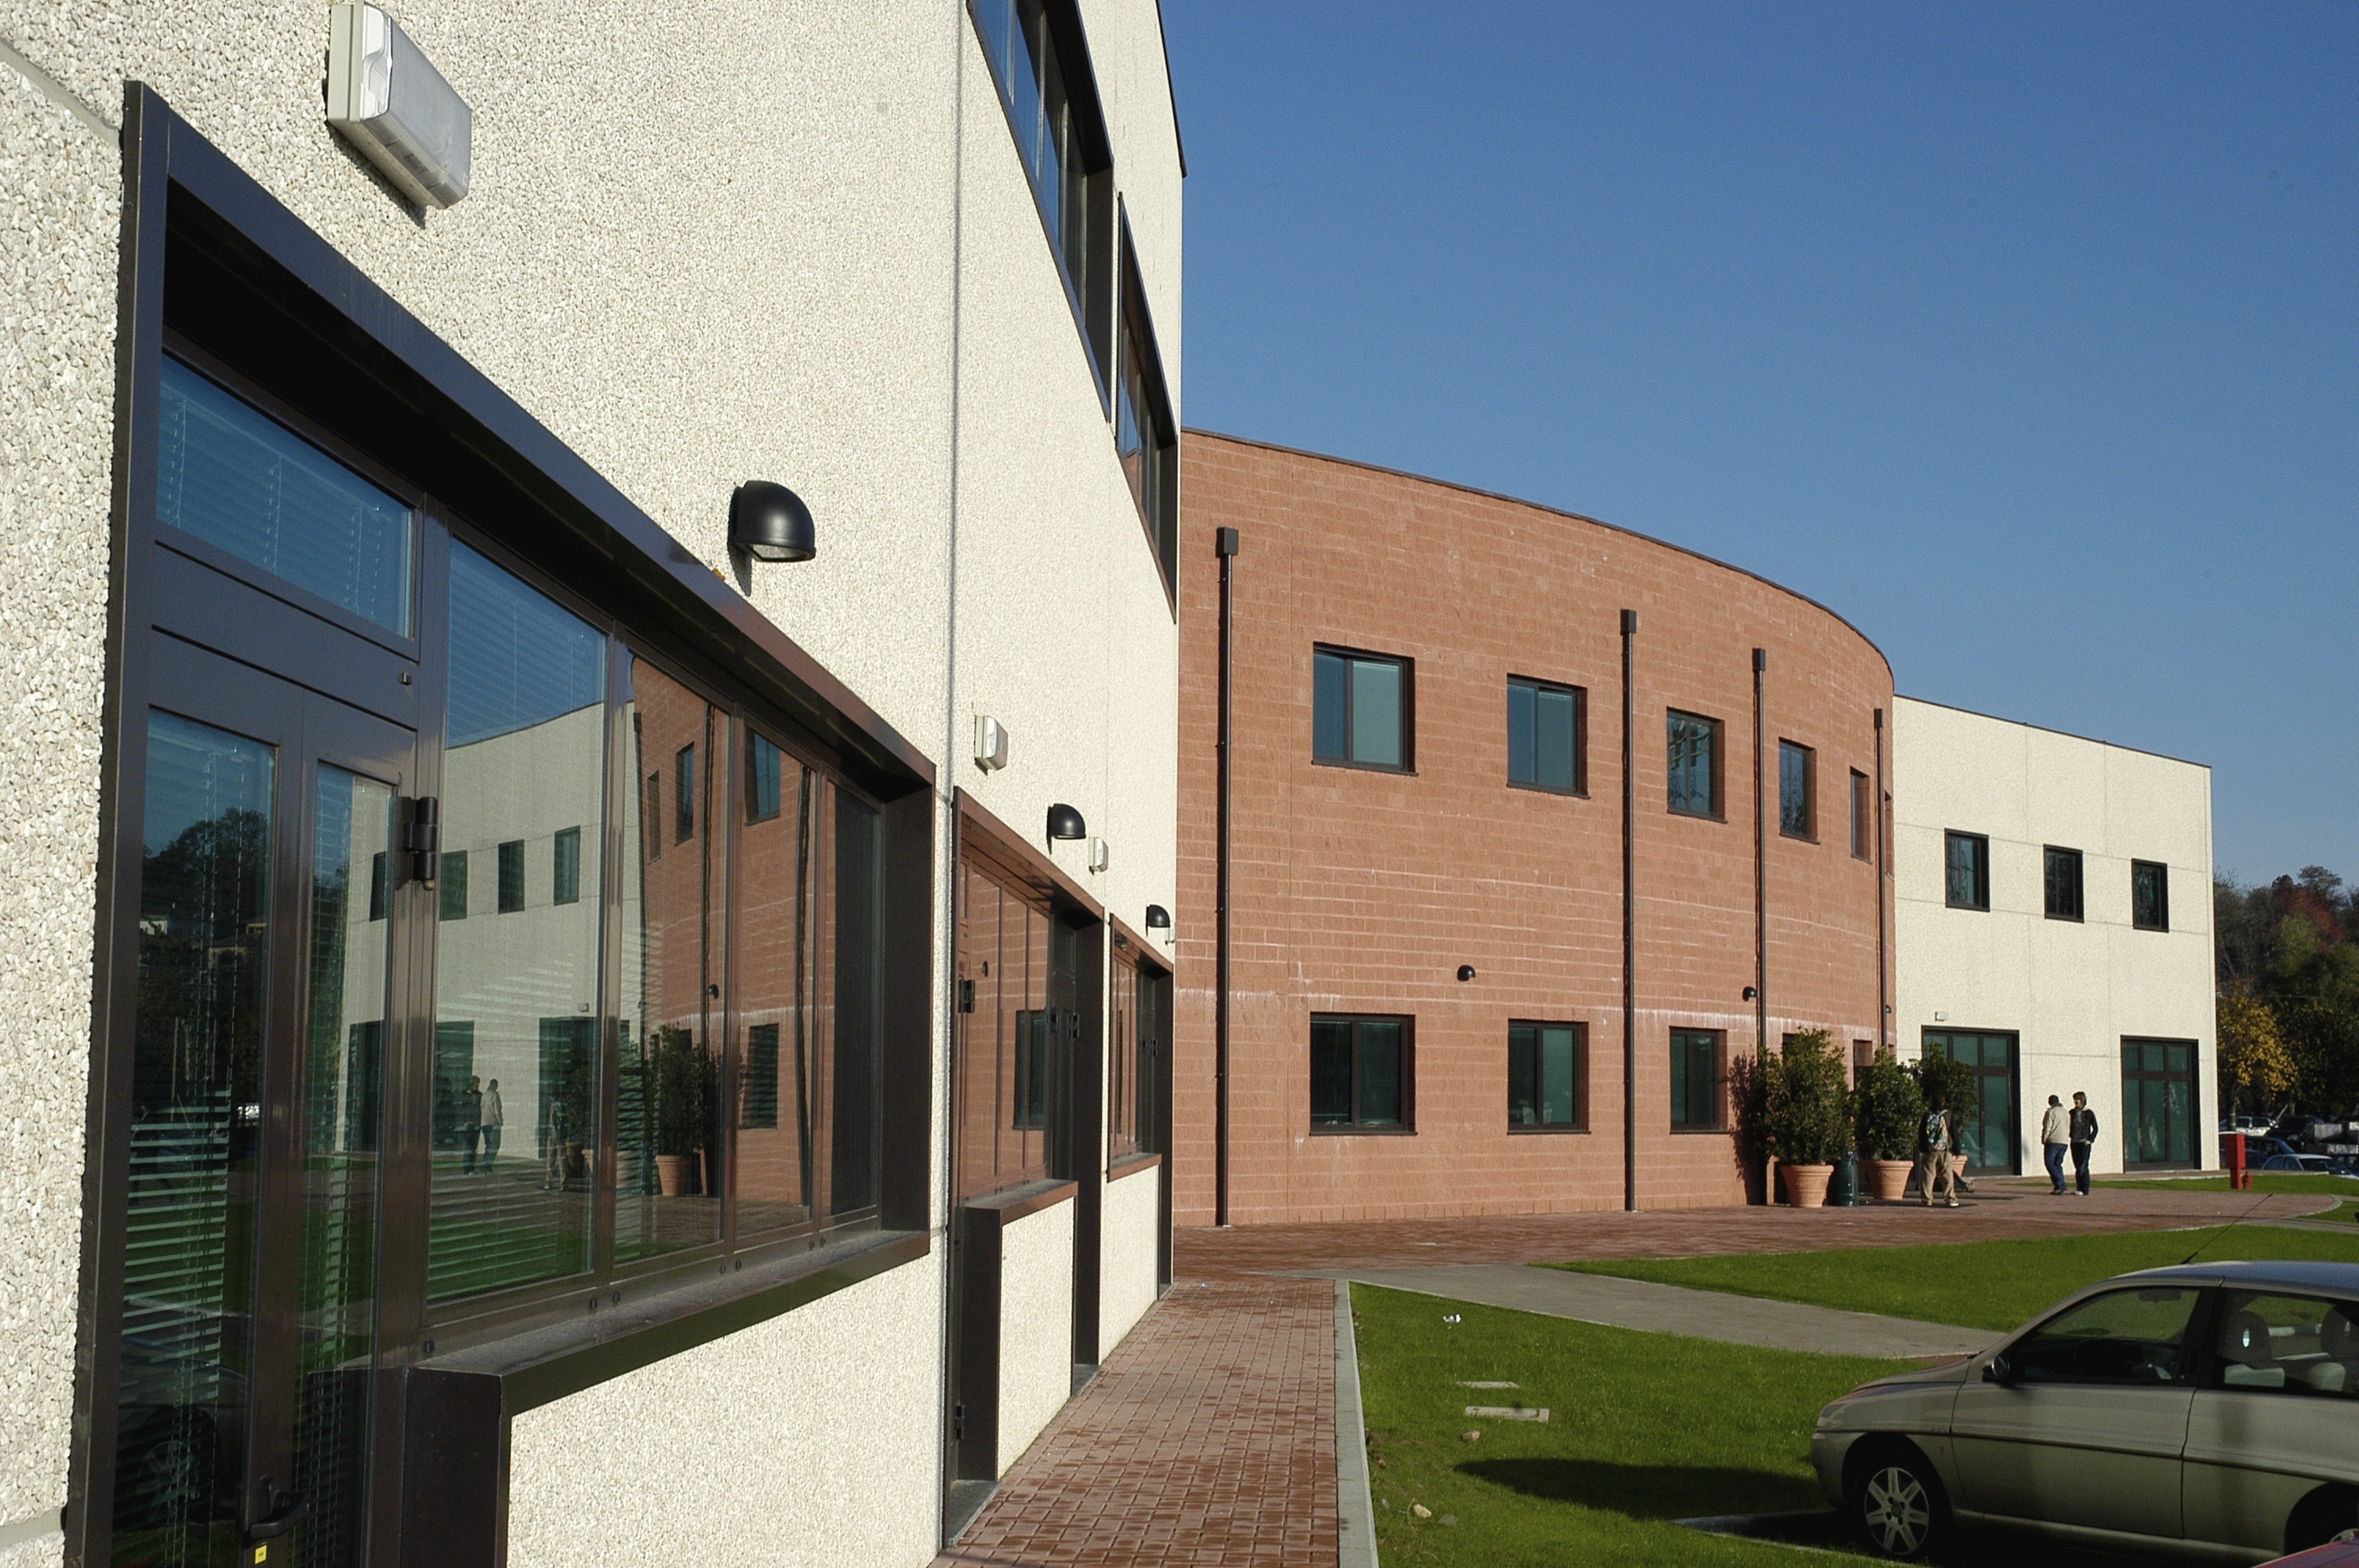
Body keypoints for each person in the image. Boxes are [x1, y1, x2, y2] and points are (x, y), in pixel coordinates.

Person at [1917, 1095, 1960, 1208]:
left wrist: (1923, 1147)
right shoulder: (1948, 1114)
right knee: (1947, 1174)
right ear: (1943, 1102)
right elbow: (1954, 1132)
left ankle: (1926, 1199)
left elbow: (1921, 1133)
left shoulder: (1927, 1114)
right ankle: (1950, 1198)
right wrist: (1957, 1148)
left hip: (1930, 1150)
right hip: (1945, 1150)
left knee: (1928, 1174)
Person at [2070, 1091, 2099, 1196]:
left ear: (2083, 1101)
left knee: (2083, 1165)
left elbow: (2095, 1128)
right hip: (2074, 1142)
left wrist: (2090, 1139)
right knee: (2077, 1165)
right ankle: (2079, 1188)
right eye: (2075, 1099)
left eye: (2078, 1099)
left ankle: (2084, 1188)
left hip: (2084, 1143)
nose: (2076, 1101)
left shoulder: (2089, 1113)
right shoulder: (2072, 1113)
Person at [2041, 1094, 2071, 1195]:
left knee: (2049, 1163)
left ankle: (2060, 1184)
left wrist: (2044, 1138)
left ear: (2050, 1102)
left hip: (2053, 1141)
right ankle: (2059, 1186)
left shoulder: (2051, 1112)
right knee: (2058, 1164)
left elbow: (2047, 1127)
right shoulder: (2066, 1113)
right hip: (2064, 1141)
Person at [460, 1075, 484, 1175]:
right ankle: (467, 1169)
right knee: (468, 1148)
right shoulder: (465, 1095)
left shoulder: (479, 1095)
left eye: (478, 1084)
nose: (477, 1086)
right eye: (475, 1084)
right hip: (468, 1124)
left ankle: (471, 1168)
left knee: (473, 1148)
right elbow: (462, 1109)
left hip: (476, 1123)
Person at [479, 1077, 503, 1173]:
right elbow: (497, 1110)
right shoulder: (495, 1096)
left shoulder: (484, 1096)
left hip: (484, 1123)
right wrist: (500, 1121)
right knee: (495, 1145)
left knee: (488, 1145)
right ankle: (487, 1164)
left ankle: (486, 1164)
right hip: (493, 1123)